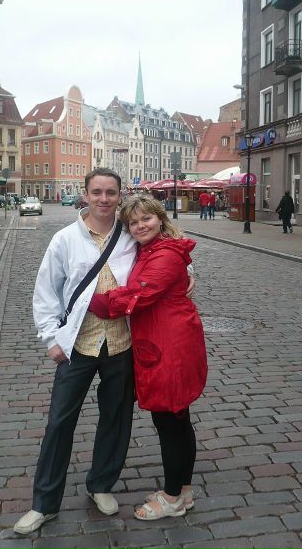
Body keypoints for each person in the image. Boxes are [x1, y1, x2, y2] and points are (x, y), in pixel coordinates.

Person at [14, 169, 194, 535]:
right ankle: (43, 504)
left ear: (119, 195)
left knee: (116, 419)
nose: (104, 199)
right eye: (97, 192)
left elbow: (168, 255)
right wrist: (50, 338)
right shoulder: (65, 239)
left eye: (111, 192)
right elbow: (46, 291)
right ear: (85, 194)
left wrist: (190, 274)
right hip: (79, 345)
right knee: (59, 423)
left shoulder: (130, 234)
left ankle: (101, 484)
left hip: (122, 344)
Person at [89, 195, 208, 521]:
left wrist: (88, 301)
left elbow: (137, 294)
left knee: (169, 422)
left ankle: (171, 498)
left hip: (170, 345)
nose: (140, 226)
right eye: (133, 222)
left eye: (146, 219)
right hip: (165, 340)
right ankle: (183, 490)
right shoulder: (153, 248)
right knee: (177, 419)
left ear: (160, 218)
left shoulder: (164, 253)